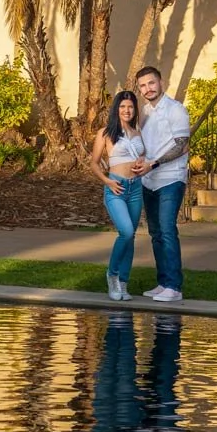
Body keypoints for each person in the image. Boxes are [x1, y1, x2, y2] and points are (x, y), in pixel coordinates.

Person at [132, 64, 190, 303]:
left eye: (151, 83)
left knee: (167, 231)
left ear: (161, 82)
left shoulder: (176, 110)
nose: (148, 88)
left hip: (171, 179)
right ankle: (163, 282)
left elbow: (181, 145)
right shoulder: (143, 113)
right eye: (143, 85)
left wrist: (153, 163)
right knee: (155, 233)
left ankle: (174, 287)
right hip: (148, 180)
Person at [90, 88, 146, 300]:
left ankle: (123, 283)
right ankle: (112, 276)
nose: (127, 110)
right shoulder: (105, 133)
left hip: (136, 188)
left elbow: (141, 158)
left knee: (131, 238)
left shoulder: (139, 133)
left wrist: (142, 163)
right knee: (126, 232)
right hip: (117, 188)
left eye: (130, 106)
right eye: (122, 106)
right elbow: (94, 164)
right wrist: (107, 181)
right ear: (116, 109)